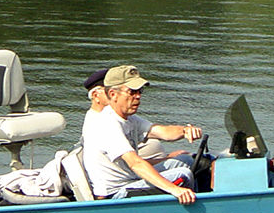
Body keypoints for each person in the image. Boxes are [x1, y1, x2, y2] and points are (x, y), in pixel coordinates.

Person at [82, 64, 203, 203]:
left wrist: (185, 130)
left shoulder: (128, 118)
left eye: (140, 91)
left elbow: (162, 132)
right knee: (183, 174)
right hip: (115, 194)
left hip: (132, 180)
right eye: (132, 92)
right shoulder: (106, 124)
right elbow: (135, 163)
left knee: (186, 160)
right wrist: (174, 189)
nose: (138, 96)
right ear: (113, 94)